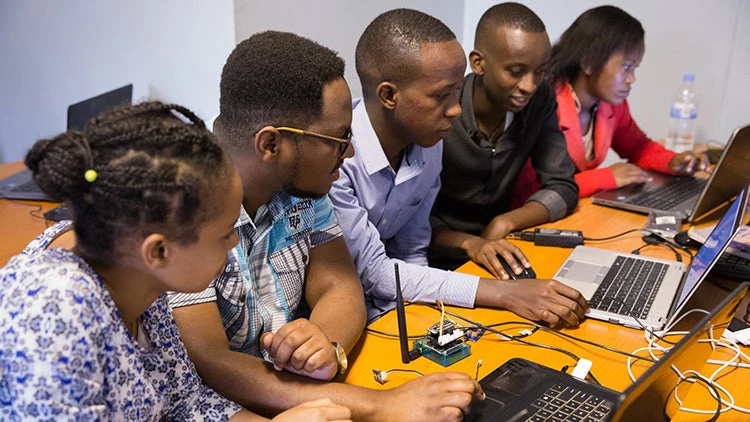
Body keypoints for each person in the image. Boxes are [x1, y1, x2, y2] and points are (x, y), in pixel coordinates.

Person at [168, 31, 483, 421]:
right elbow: (211, 364)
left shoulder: (304, 187)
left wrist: (324, 341)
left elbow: (339, 283)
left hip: (304, 396)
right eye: (338, 138)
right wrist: (381, 406)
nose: (348, 152)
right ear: (270, 145)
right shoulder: (181, 210)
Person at [0, 101, 352, 421]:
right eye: (225, 232)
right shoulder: (52, 313)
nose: (234, 243)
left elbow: (187, 402)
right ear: (158, 251)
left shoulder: (144, 288)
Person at [329, 9, 586, 328]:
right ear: (388, 95)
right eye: (441, 95)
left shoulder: (428, 142)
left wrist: (426, 322)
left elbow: (412, 248)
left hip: (385, 301)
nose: (454, 109)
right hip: (333, 317)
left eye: (454, 92)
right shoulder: (335, 161)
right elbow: (377, 274)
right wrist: (507, 293)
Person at [428, 3, 580, 277]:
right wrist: (471, 243)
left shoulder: (540, 99)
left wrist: (506, 221)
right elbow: (410, 218)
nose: (530, 85)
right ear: (478, 63)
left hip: (502, 249)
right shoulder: (442, 110)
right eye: (516, 71)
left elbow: (563, 186)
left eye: (540, 71)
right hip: (436, 256)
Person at [513, 5, 708, 200]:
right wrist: (604, 177)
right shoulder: (544, 104)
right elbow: (530, 190)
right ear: (588, 62)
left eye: (635, 68)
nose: (632, 78)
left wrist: (673, 162)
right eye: (626, 67)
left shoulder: (612, 105)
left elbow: (638, 147)